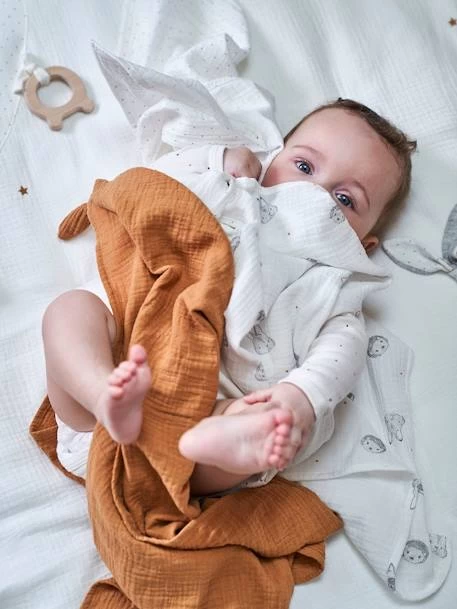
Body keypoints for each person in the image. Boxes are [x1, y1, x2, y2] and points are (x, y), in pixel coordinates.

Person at [42, 98, 416, 496]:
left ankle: (229, 446)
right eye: (304, 167)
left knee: (258, 423)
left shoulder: (335, 283)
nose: (315, 193)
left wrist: (298, 398)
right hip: (123, 353)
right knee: (71, 311)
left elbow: (341, 354)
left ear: (365, 245)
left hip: (200, 420)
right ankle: (102, 393)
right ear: (271, 159)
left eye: (345, 200)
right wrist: (216, 158)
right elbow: (152, 187)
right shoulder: (232, 193)